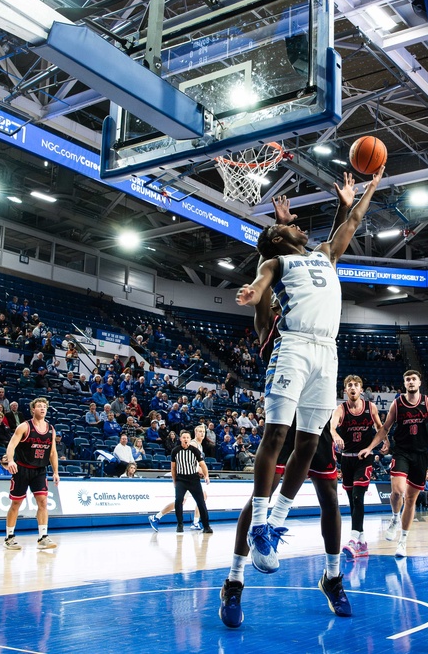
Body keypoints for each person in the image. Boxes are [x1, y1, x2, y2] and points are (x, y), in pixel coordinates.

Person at [222, 189, 364, 629]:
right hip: (286, 396)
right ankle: (234, 582)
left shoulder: (306, 275)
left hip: (315, 405)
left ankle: (333, 577)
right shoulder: (272, 318)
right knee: (255, 501)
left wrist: (342, 206)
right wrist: (272, 244)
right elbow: (269, 273)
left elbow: (325, 258)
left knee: (330, 501)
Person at [361, 369, 428, 558]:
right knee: (398, 491)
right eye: (407, 379)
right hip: (401, 452)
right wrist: (370, 447)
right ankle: (395, 518)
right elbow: (385, 427)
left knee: (411, 500)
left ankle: (403, 541)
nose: (410, 382)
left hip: (420, 455)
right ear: (404, 384)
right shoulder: (397, 404)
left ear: (419, 383)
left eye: (413, 379)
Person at [332, 375, 385, 559]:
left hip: (365, 458)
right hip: (346, 459)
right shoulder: (341, 409)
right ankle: (362, 542)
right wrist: (335, 435)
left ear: (361, 389)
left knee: (357, 497)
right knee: (353, 501)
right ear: (345, 390)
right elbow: (331, 427)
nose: (352, 387)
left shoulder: (371, 408)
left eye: (355, 385)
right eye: (349, 385)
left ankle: (354, 539)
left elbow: (380, 427)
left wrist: (384, 441)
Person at [3, 397, 60, 551]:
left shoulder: (51, 429)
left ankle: (43, 537)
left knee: (42, 502)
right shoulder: (24, 427)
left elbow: (53, 452)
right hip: (22, 468)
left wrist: (55, 471)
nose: (42, 409)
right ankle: (9, 538)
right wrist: (11, 461)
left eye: (44, 407)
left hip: (40, 470)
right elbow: (11, 445)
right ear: (32, 409)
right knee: (16, 504)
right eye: (39, 406)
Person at [170, 430, 212, 534]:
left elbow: (203, 465)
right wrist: (174, 481)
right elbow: (173, 468)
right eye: (183, 437)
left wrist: (206, 476)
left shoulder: (195, 451)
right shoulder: (175, 451)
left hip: (193, 479)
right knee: (178, 500)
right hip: (181, 479)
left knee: (201, 502)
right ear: (180, 439)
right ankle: (180, 524)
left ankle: (206, 526)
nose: (185, 439)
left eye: (187, 438)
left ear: (190, 439)